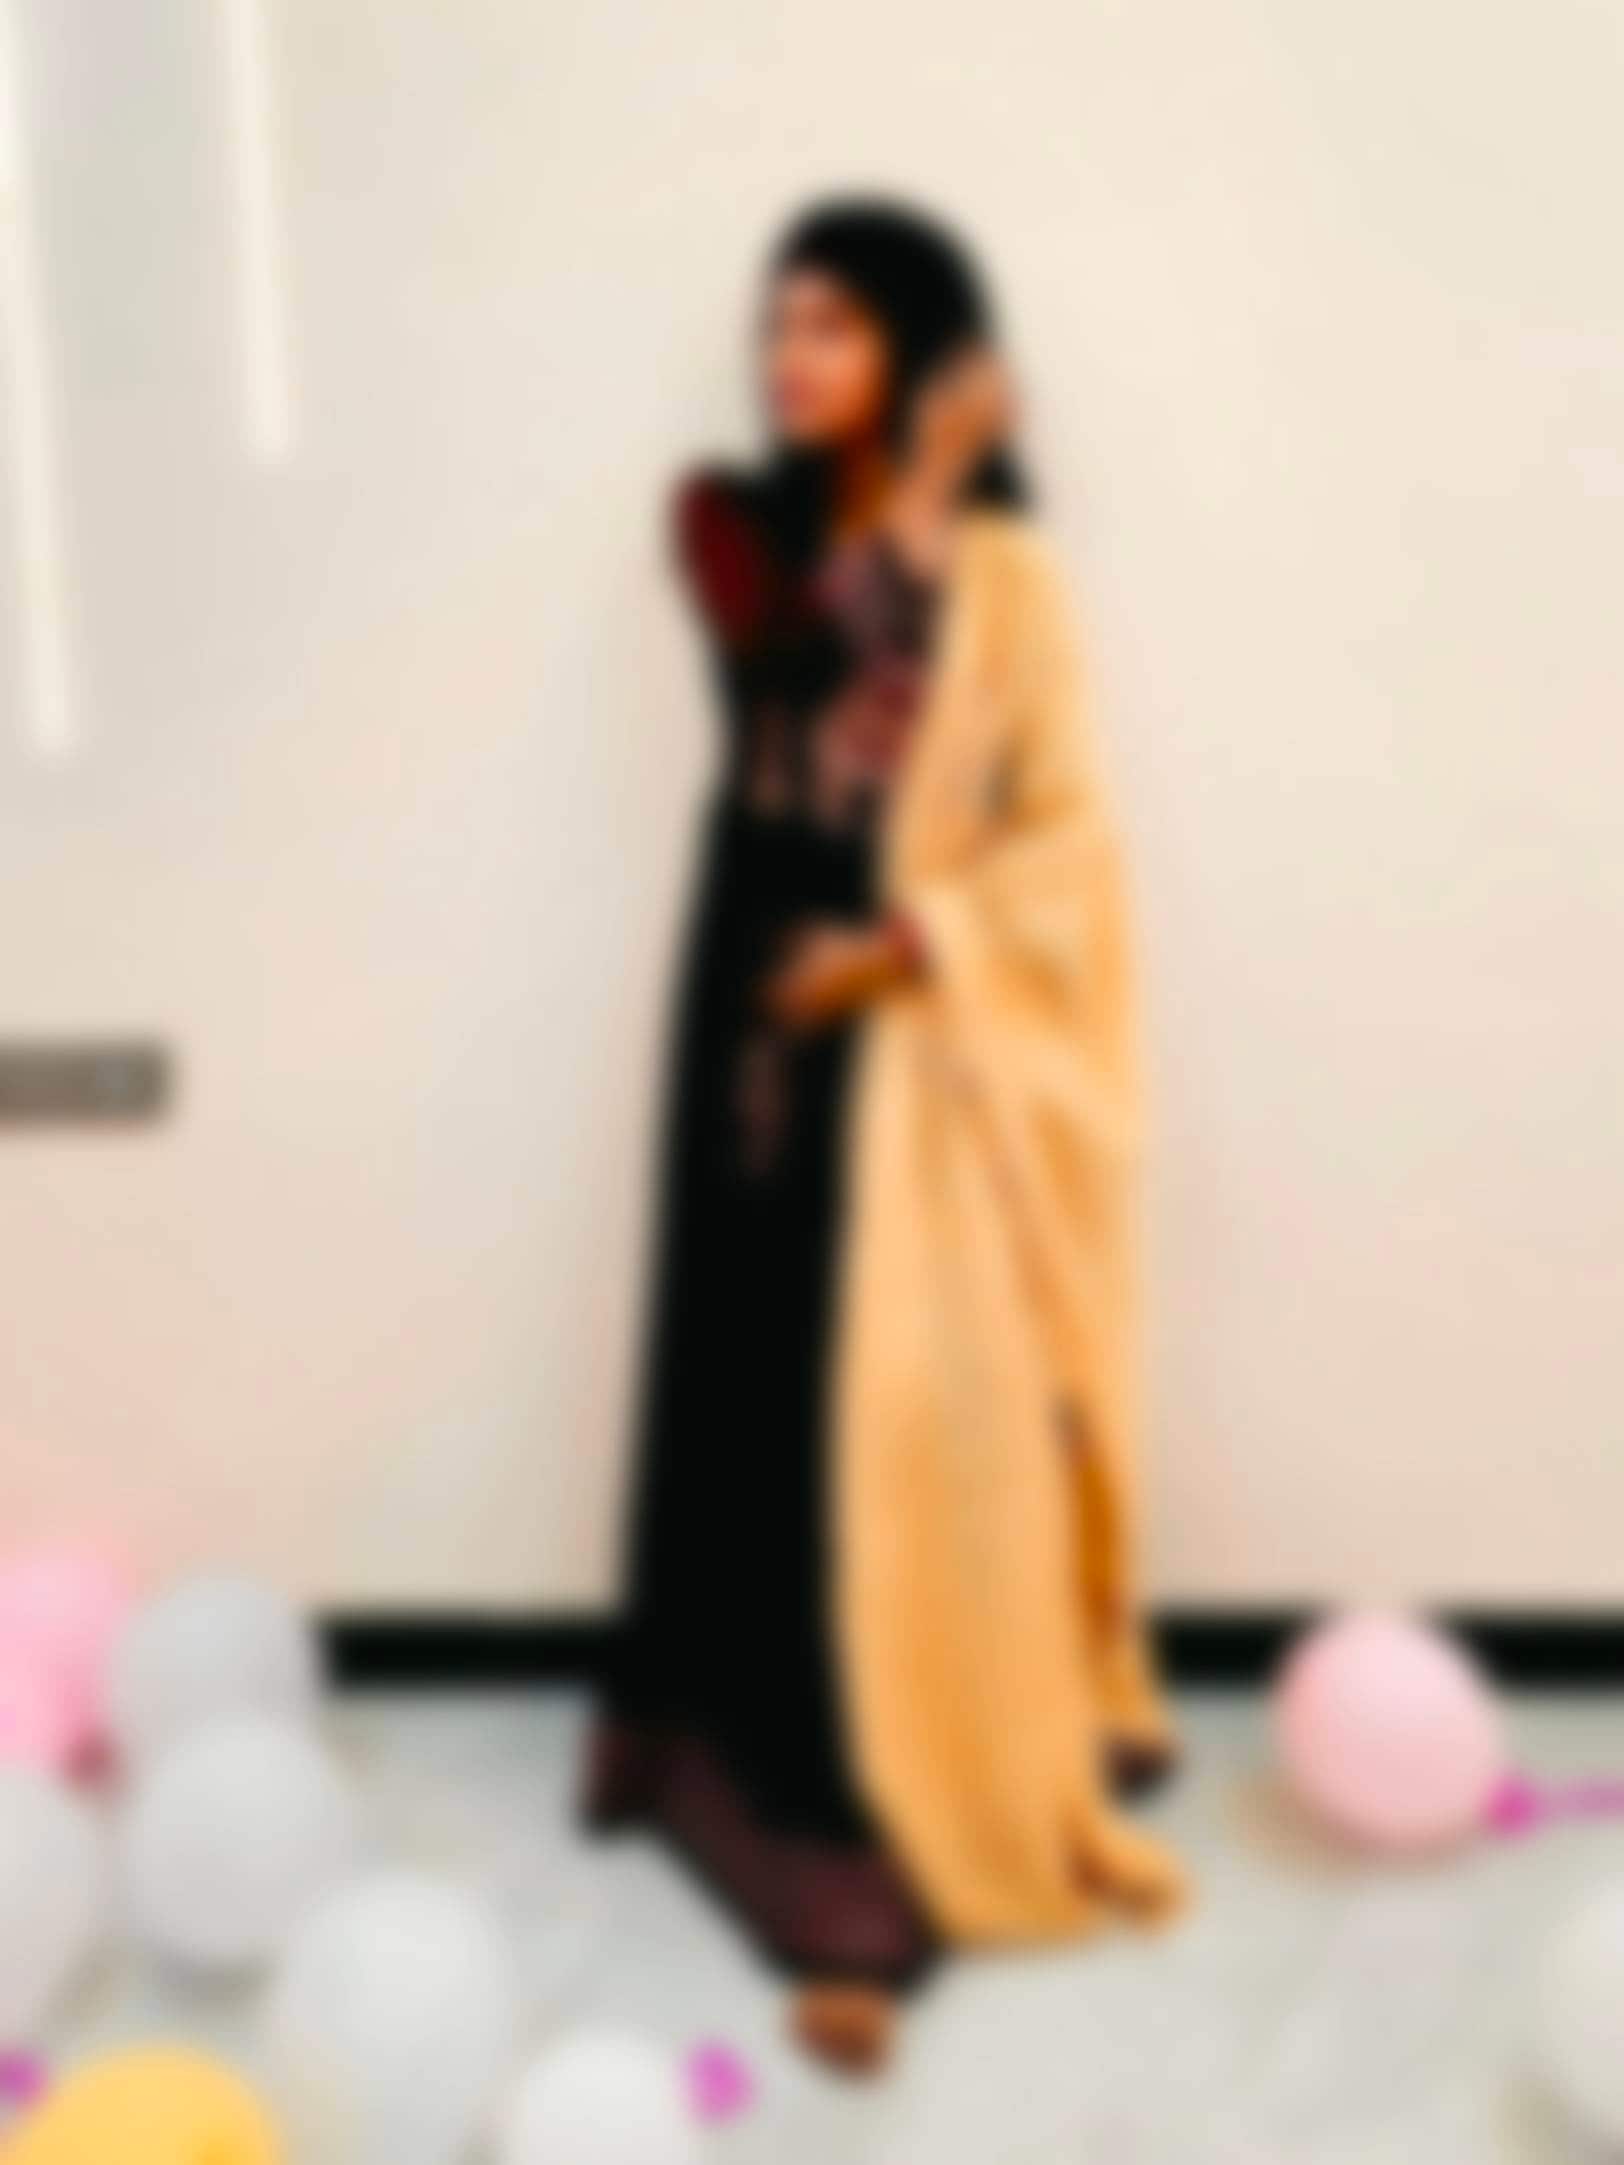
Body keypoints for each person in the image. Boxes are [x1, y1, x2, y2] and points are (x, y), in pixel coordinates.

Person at [586, 198, 1186, 2076]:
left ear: (918, 348)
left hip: (912, 1013)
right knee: (746, 1354)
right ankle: (742, 1765)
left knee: (907, 1401)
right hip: (753, 983)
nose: (789, 358)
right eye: (779, 324)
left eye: (835, 325)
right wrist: (919, 489)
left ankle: (899, 1771)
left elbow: (1063, 837)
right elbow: (791, 685)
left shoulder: (1013, 578)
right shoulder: (728, 521)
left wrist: (917, 946)